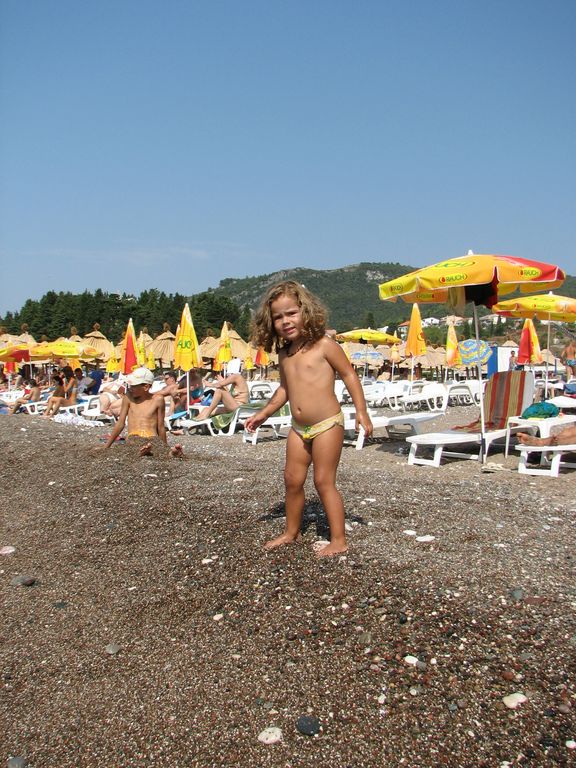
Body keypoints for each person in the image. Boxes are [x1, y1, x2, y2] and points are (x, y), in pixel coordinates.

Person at [244, 281, 373, 557]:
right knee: (291, 479)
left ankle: (338, 540)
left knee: (323, 481)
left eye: (291, 313)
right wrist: (263, 413)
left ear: (306, 311)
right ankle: (291, 532)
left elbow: (349, 375)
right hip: (298, 427)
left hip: (328, 424)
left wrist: (361, 411)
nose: (285, 321)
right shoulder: (284, 354)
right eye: (278, 317)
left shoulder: (324, 345)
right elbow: (285, 389)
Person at [102, 367, 183, 457]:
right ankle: (146, 451)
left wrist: (165, 448)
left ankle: (169, 453)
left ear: (146, 387)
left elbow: (160, 427)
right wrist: (107, 446)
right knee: (133, 446)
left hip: (153, 439)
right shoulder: (128, 398)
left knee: (155, 448)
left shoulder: (157, 399)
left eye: (133, 386)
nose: (130, 388)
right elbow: (120, 423)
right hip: (133, 438)